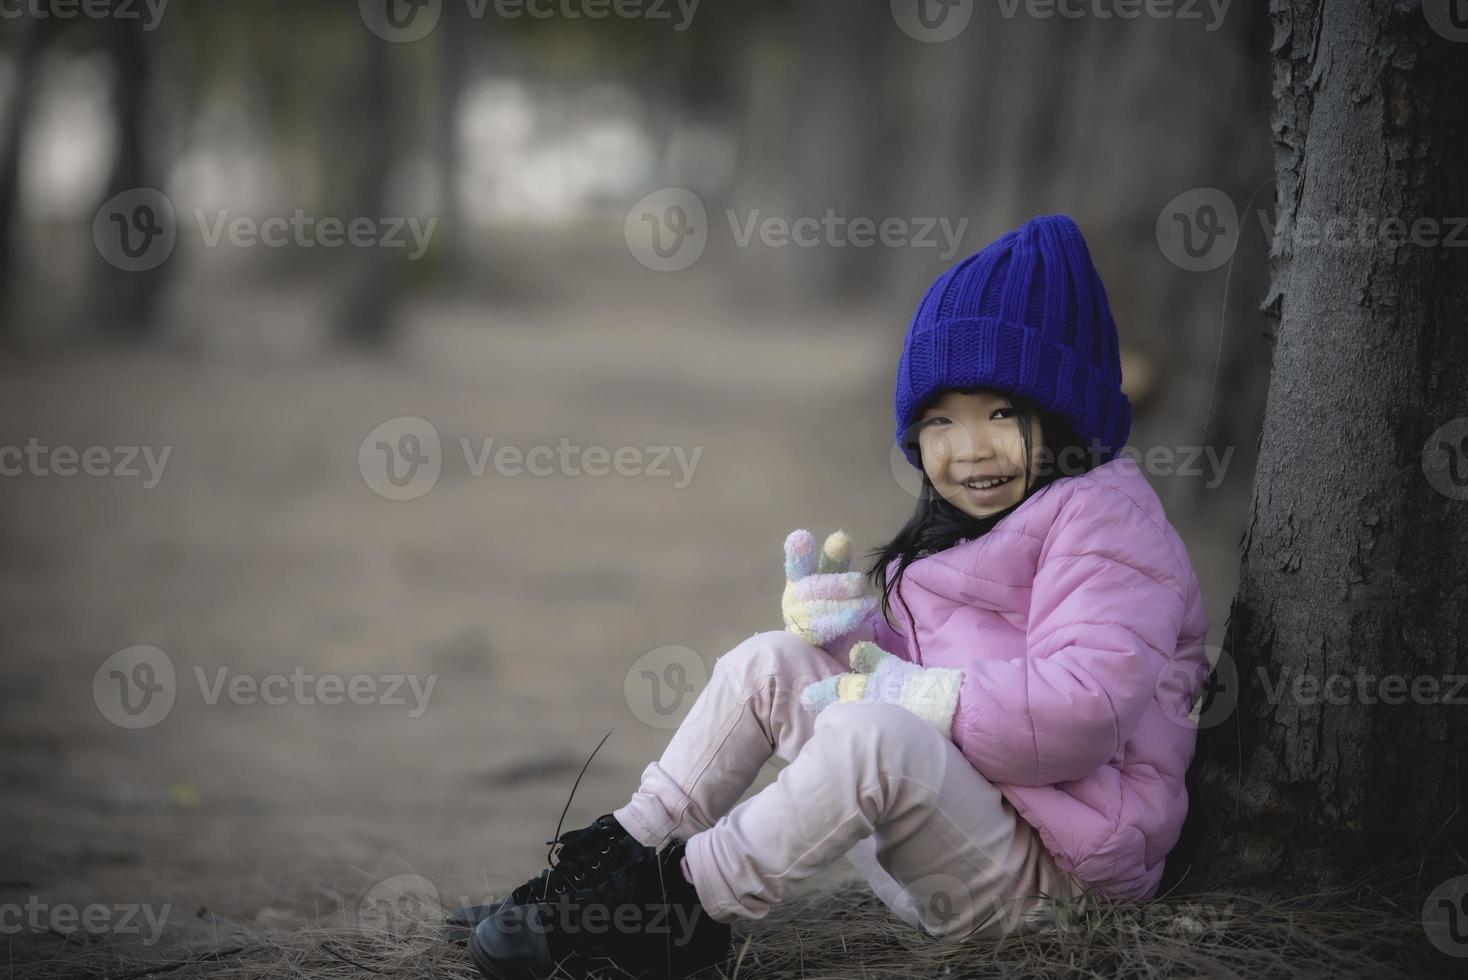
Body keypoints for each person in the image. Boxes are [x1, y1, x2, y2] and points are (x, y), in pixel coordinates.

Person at [455, 213, 1213, 980]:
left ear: (1066, 414)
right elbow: (928, 683)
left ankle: (680, 908)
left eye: (1001, 414)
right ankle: (605, 874)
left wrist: (910, 692)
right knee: (769, 663)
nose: (969, 448)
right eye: (940, 421)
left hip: (1054, 876)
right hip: (962, 828)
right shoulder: (974, 527)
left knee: (876, 739)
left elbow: (1081, 714)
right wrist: (854, 640)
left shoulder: (1108, 523)